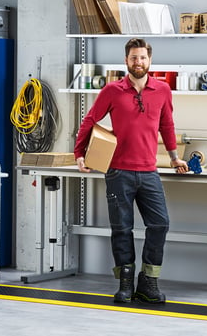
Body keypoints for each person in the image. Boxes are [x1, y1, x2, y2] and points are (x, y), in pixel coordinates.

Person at [74, 38, 188, 304]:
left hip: (149, 172)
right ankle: (125, 283)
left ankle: (148, 281)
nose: (139, 62)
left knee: (160, 224)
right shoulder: (112, 91)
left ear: (150, 61)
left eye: (143, 58)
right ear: (126, 61)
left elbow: (167, 125)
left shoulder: (162, 90)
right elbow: (89, 120)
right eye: (134, 58)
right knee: (122, 229)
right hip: (118, 172)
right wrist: (80, 154)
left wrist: (174, 158)